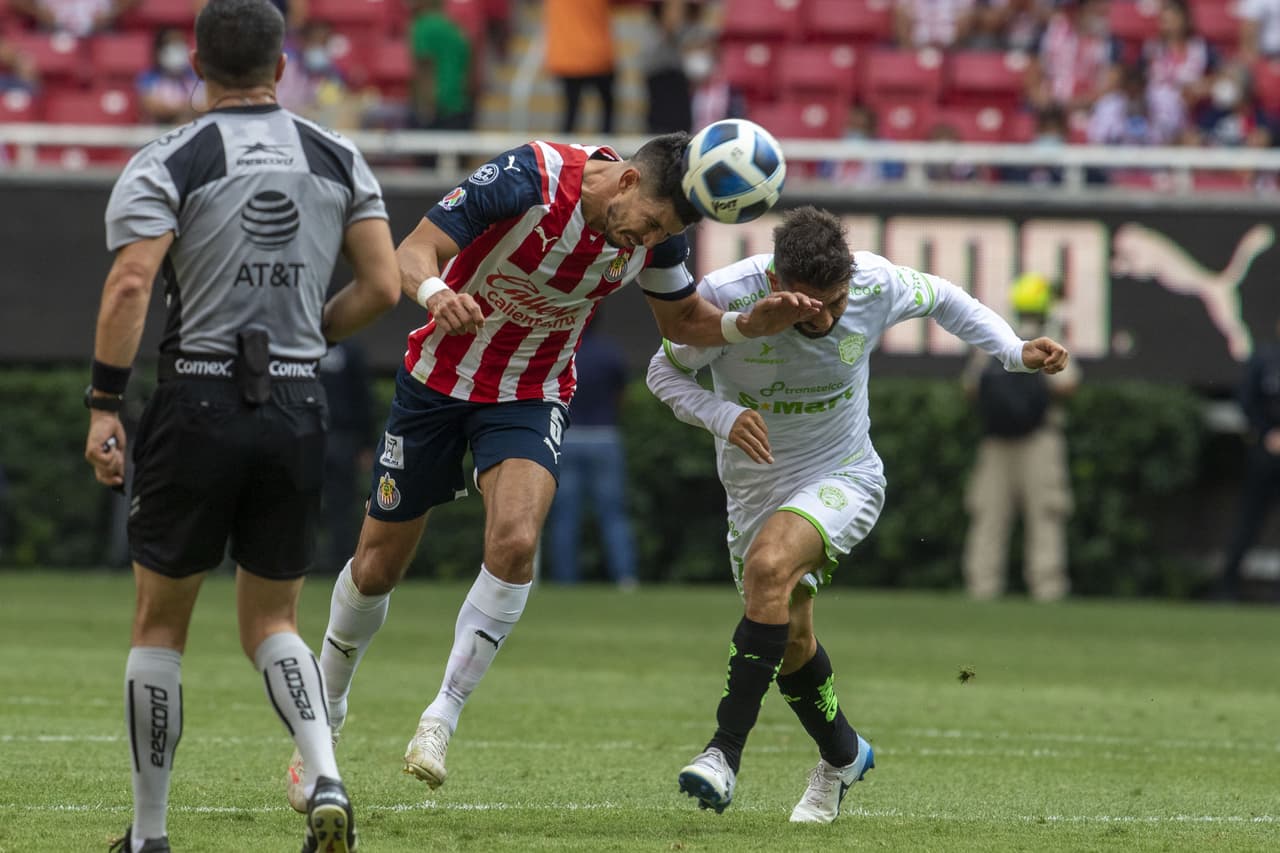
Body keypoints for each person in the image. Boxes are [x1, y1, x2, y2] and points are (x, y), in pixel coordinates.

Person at [284, 130, 824, 809]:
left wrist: (750, 324)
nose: (646, 239)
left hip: (530, 391)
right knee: (375, 568)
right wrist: (432, 291)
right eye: (650, 222)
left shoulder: (657, 238)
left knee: (514, 543)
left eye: (661, 233)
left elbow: (684, 321)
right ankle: (326, 709)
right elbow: (414, 250)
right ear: (626, 181)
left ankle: (441, 717)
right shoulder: (530, 176)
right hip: (438, 377)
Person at [82, 2, 400, 851]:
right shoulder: (339, 157)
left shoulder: (171, 156)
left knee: (160, 626)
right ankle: (325, 774)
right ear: (282, 64)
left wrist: (105, 403)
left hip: (196, 399)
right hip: (296, 401)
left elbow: (128, 288)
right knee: (274, 621)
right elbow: (381, 287)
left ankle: (149, 835)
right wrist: (311, 332)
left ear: (196, 62)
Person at [646, 207, 1068, 821]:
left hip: (844, 474)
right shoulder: (723, 298)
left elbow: (946, 299)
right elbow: (664, 371)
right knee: (790, 639)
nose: (830, 316)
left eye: (838, 301)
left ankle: (723, 753)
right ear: (775, 284)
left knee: (768, 568)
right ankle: (843, 756)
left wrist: (1011, 349)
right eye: (813, 305)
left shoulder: (874, 282)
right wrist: (723, 415)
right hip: (755, 489)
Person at [961, 272, 1079, 602]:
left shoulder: (994, 337)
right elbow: (1068, 385)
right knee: (1046, 516)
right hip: (1041, 440)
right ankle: (1048, 589)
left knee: (988, 518)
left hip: (996, 441)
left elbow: (971, 389)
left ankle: (982, 588)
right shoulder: (1051, 338)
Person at [543, 322, 638, 588]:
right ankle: (625, 578)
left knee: (564, 514)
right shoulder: (610, 353)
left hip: (567, 436)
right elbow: (622, 395)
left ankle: (565, 580)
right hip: (605, 435)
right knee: (613, 513)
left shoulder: (561, 352)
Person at [1215, 320, 1280, 601]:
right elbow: (1246, 400)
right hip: (1265, 452)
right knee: (1248, 521)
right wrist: (1267, 433)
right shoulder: (1264, 359)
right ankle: (1226, 587)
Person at [319, 340, 375, 572]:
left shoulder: (350, 351)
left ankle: (339, 562)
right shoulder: (349, 350)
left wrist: (366, 445)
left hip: (339, 436)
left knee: (342, 505)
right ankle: (329, 561)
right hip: (319, 435)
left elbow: (363, 398)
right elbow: (364, 399)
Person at [545, 0, 616, 134]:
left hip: (566, 56)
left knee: (571, 110)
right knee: (607, 107)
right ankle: (604, 150)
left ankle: (563, 151)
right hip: (596, 54)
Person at [408, 0, 473, 131]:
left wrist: (425, 106)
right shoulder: (454, 27)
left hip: (436, 108)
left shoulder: (422, 26)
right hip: (460, 105)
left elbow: (425, 69)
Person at [136, 28, 199, 125]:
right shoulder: (149, 77)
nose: (177, 49)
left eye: (180, 44)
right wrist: (187, 109)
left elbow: (207, 105)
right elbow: (153, 107)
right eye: (171, 44)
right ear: (159, 50)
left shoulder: (196, 75)